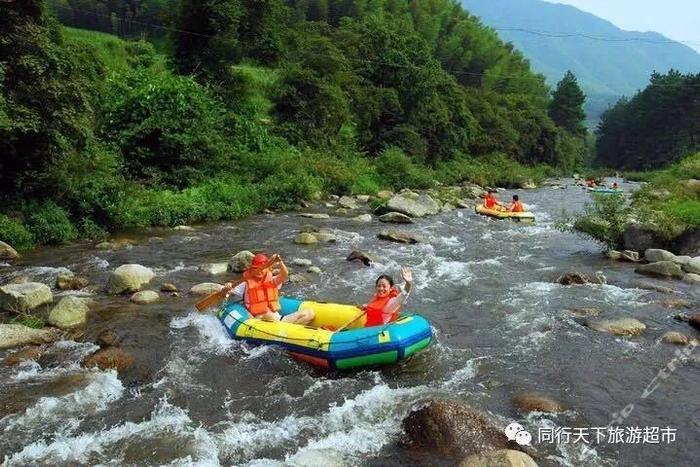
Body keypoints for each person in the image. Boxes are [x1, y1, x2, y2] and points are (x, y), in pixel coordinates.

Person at [224, 253, 315, 325]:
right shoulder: (246, 284)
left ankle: (286, 330)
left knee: (310, 313)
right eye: (256, 269)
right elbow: (228, 291)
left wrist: (280, 262)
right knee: (308, 314)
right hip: (261, 319)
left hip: (276, 319)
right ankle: (285, 329)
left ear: (267, 268)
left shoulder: (272, 281)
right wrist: (227, 287)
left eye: (262, 269)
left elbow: (284, 275)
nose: (259, 271)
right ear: (252, 269)